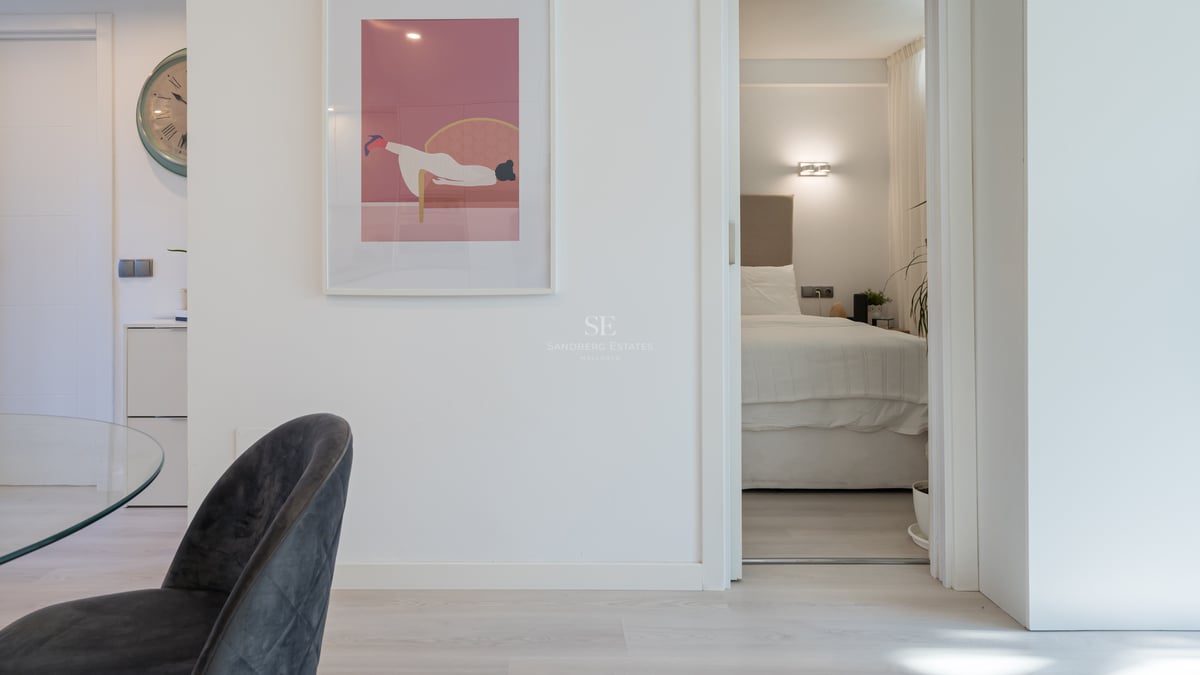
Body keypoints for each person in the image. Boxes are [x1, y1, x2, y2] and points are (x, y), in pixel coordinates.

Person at [364, 134, 515, 196]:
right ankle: (381, 142)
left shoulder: (488, 171)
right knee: (417, 189)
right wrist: (445, 182)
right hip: (446, 168)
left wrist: (445, 181)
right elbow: (466, 183)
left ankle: (382, 142)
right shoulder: (490, 179)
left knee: (413, 158)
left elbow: (466, 177)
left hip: (447, 163)